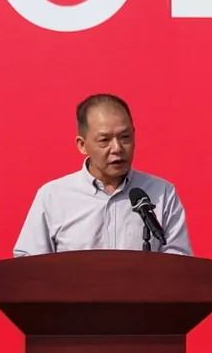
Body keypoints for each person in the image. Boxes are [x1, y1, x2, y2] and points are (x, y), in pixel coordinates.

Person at [13, 93, 193, 256]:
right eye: (104, 140)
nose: (117, 148)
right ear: (82, 145)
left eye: (125, 137)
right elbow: (29, 265)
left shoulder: (162, 193)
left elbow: (179, 263)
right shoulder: (53, 196)